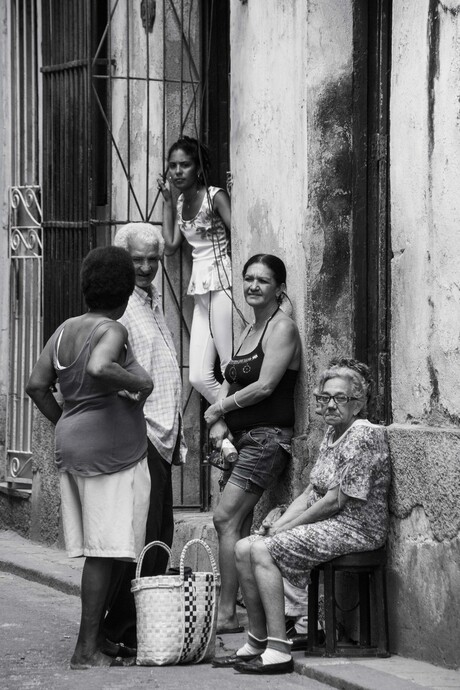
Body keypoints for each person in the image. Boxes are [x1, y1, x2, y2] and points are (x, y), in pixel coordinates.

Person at [212, 358, 391, 674]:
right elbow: (312, 491)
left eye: (341, 398)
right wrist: (279, 523)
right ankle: (256, 640)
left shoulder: (364, 435)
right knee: (244, 547)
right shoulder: (332, 432)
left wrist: (287, 528)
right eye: (325, 398)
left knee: (264, 549)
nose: (330, 405)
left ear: (359, 403)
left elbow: (336, 501)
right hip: (330, 523)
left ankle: (279, 649)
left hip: (357, 526)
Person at [26, 246, 153, 669]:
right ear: (126, 290)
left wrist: (67, 418)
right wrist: (141, 380)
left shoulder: (64, 330)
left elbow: (36, 385)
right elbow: (100, 367)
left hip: (74, 445)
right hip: (111, 453)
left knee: (110, 548)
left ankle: (95, 641)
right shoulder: (111, 330)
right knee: (105, 550)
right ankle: (85, 650)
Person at [203, 254, 301, 634]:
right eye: (248, 279)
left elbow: (265, 386)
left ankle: (227, 614)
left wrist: (218, 410)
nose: (253, 286)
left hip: (266, 439)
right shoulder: (247, 330)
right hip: (238, 439)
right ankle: (241, 615)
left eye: (263, 280)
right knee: (236, 523)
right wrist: (219, 422)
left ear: (279, 289)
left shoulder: (282, 328)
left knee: (224, 518)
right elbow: (229, 378)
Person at [102, 222, 187, 648]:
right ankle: (120, 629)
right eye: (138, 260)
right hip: (141, 433)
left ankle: (142, 625)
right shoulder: (121, 307)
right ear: (123, 260)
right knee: (141, 538)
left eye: (153, 260)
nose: (147, 267)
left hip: (163, 435)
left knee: (159, 536)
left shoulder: (151, 302)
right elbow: (105, 369)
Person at [158, 135, 232, 403]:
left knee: (228, 366)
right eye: (173, 165)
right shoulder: (179, 203)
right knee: (198, 377)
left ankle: (243, 428)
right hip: (200, 286)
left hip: (222, 282)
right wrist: (167, 202)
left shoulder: (215, 196)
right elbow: (170, 245)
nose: (177, 171)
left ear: (198, 168)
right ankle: (233, 423)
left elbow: (239, 231)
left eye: (185, 165)